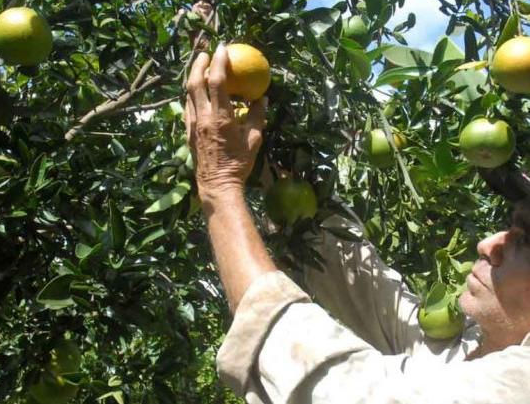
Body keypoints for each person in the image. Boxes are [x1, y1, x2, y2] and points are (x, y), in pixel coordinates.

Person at [184, 44, 530, 403]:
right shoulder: (460, 347)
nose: (488, 244)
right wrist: (277, 167)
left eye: (524, 242)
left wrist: (219, 186)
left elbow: (338, 391)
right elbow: (358, 281)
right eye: (510, 227)